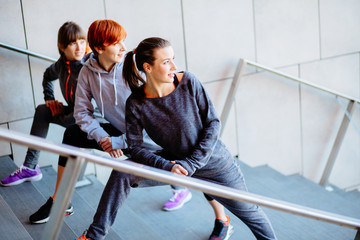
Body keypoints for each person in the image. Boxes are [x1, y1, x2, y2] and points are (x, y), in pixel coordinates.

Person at [76, 38, 277, 240]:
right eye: (166, 62)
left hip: (214, 164)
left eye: (173, 59)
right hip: (174, 165)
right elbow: (136, 148)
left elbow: (213, 123)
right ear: (148, 67)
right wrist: (167, 166)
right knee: (122, 172)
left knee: (252, 215)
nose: (173, 66)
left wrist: (191, 163)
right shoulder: (136, 103)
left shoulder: (188, 82)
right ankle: (94, 236)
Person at [28, 19, 191, 224]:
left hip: (152, 140)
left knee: (204, 169)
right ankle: (60, 199)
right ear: (98, 48)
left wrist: (119, 142)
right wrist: (103, 137)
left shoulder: (135, 67)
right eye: (116, 43)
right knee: (71, 134)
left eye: (123, 41)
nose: (123, 47)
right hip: (120, 134)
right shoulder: (88, 72)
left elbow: (157, 117)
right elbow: (82, 113)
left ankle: (221, 218)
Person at [0, 21, 89, 189]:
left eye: (82, 41)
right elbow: (48, 76)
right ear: (62, 47)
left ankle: (62, 194)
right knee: (43, 110)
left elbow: (89, 108)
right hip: (73, 113)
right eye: (73, 43)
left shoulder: (89, 66)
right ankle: (30, 167)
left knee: (70, 131)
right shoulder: (62, 64)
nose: (79, 47)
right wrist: (50, 99)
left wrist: (61, 115)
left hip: (89, 119)